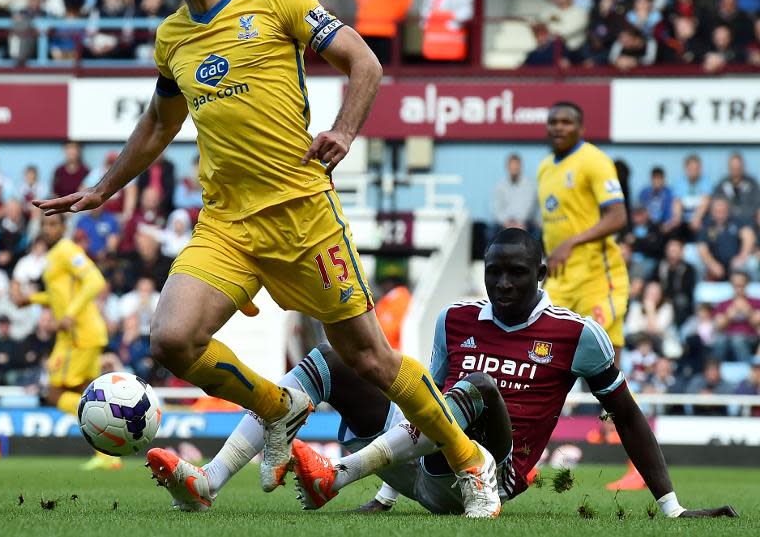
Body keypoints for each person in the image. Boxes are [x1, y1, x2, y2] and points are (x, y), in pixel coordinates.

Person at [34, 0, 497, 515]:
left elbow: (365, 61)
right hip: (227, 223)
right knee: (172, 339)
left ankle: (471, 461)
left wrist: (344, 130)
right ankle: (278, 407)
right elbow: (157, 122)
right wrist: (103, 188)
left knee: (371, 359)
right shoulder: (172, 38)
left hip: (303, 216)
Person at [144, 229, 737, 520]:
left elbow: (629, 416)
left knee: (476, 390)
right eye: (494, 272)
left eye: (516, 274)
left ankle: (339, 473)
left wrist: (673, 509)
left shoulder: (577, 334)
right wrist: (387, 493)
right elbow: (415, 402)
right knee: (334, 356)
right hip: (426, 470)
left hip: (491, 476)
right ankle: (210, 481)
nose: (503, 284)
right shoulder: (455, 318)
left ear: (541, 276)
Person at [537, 101, 637, 490]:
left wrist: (572, 243)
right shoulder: (545, 168)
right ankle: (525, 462)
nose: (558, 127)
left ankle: (637, 467)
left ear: (580, 126)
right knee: (542, 368)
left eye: (566, 121)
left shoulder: (595, 161)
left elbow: (618, 217)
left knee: (610, 374)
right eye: (553, 121)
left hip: (600, 279)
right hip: (561, 281)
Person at [12, 213, 113, 469]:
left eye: (54, 224)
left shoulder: (67, 250)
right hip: (79, 336)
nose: (48, 229)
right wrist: (31, 300)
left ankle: (110, 441)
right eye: (44, 224)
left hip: (78, 336)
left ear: (64, 226)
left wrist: (69, 314)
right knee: (86, 394)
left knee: (53, 394)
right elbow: (58, 297)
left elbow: (95, 281)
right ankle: (107, 455)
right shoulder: (55, 255)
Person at [491, 153, 538, 231]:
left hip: (524, 222)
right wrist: (506, 223)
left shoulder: (530, 185)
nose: (514, 168)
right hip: (504, 223)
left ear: (520, 166)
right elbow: (496, 209)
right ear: (507, 167)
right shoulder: (500, 186)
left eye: (516, 165)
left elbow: (529, 208)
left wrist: (518, 223)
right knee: (491, 230)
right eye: (511, 165)